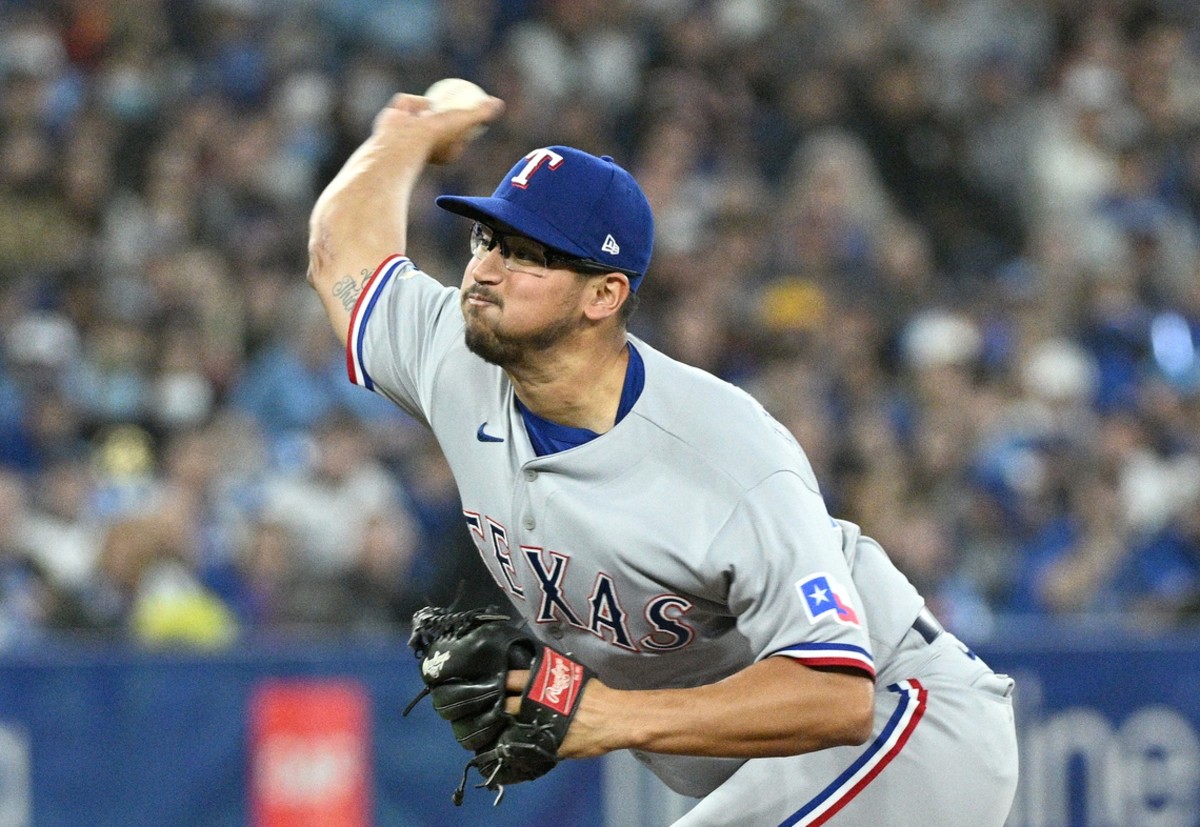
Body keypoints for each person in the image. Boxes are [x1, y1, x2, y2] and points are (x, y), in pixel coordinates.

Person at [305, 90, 1018, 826]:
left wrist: (607, 716)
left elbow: (837, 693)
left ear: (604, 294)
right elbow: (341, 251)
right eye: (487, 240)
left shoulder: (723, 454)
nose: (485, 269)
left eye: (525, 254)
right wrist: (404, 136)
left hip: (909, 725)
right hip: (778, 767)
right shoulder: (455, 354)